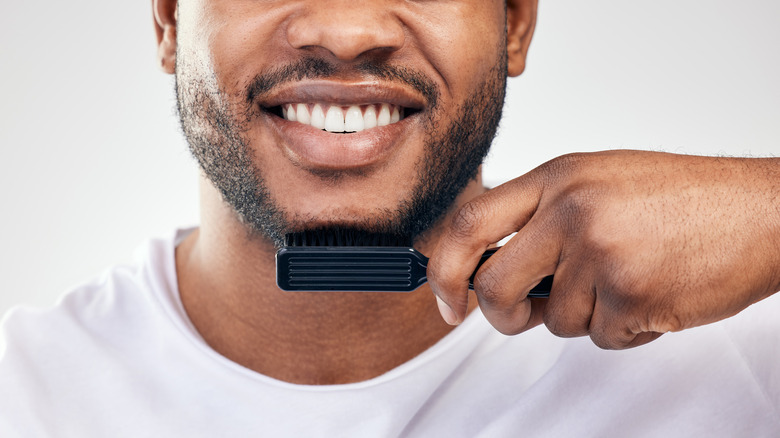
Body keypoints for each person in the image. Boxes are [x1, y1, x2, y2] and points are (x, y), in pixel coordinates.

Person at [1, 0, 778, 436]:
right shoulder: (22, 397)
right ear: (169, 21)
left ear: (515, 24)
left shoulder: (748, 361)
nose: (346, 32)